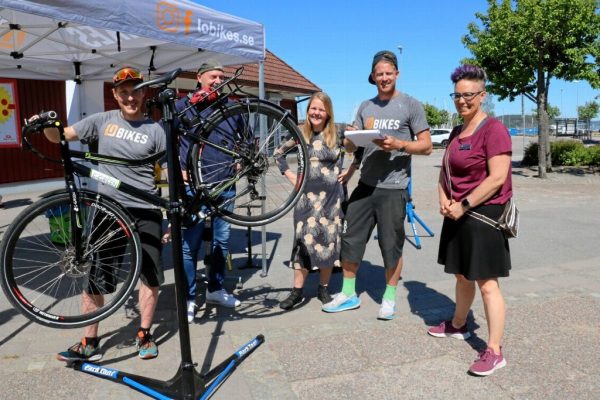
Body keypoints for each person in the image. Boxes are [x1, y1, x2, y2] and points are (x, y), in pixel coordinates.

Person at [39, 66, 166, 361]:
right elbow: (61, 136)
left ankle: (144, 335)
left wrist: (168, 214)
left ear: (144, 93)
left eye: (135, 90)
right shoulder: (102, 121)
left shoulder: (156, 130)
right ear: (115, 95)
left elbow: (166, 172)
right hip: (108, 209)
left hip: (145, 209)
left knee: (150, 276)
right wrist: (45, 122)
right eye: (124, 92)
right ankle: (89, 340)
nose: (130, 97)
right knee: (97, 276)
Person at [322, 50, 432, 320]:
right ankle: (349, 294)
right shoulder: (364, 106)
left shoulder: (410, 105)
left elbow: (427, 146)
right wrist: (349, 137)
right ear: (373, 76)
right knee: (350, 239)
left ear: (397, 74)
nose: (384, 77)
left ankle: (389, 298)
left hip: (394, 188)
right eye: (379, 73)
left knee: (390, 245)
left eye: (388, 73)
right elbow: (352, 148)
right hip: (366, 185)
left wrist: (399, 144)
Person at [427, 64, 512, 376]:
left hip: (483, 215)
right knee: (461, 276)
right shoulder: (455, 131)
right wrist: (442, 199)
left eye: (468, 95)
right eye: (457, 95)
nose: (462, 101)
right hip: (457, 213)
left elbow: (497, 178)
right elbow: (444, 170)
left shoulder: (494, 130)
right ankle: (459, 324)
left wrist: (462, 204)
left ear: (482, 95)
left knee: (487, 283)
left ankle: (494, 350)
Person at [171, 60, 241, 323]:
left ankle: (215, 290)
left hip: (225, 184)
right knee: (190, 245)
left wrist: (239, 159)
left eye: (222, 77)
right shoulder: (182, 107)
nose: (217, 81)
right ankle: (189, 298)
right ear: (199, 77)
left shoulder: (231, 107)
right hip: (194, 187)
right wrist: (178, 170)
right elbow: (166, 143)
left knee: (221, 242)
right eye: (213, 76)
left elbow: (245, 139)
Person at [275, 92, 353, 310]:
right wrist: (291, 176)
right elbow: (277, 154)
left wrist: (350, 172)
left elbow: (362, 150)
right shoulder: (300, 133)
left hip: (332, 199)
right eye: (313, 108)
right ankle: (297, 292)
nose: (316, 113)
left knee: (328, 243)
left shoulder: (339, 132)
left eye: (321, 109)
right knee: (302, 244)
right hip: (305, 200)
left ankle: (323, 288)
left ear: (328, 112)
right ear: (308, 110)